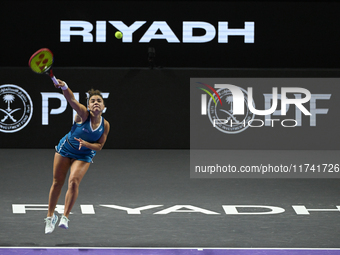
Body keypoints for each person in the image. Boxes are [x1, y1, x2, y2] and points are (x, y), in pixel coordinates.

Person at [44, 79, 110, 234]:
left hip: (85, 153)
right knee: (57, 183)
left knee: (73, 182)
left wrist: (86, 144)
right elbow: (71, 99)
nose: (95, 103)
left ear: (103, 107)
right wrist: (65, 87)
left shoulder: (105, 125)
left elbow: (99, 146)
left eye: (99, 101)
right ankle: (50, 217)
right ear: (88, 106)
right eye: (92, 101)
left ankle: (65, 217)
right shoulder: (83, 115)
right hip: (66, 149)